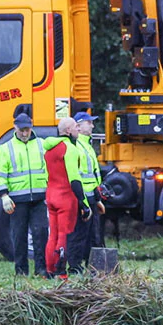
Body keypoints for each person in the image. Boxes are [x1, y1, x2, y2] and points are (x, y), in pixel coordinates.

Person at [0, 112, 49, 276]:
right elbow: (0, 174)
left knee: (41, 233)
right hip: (17, 200)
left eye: (27, 130)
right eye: (22, 130)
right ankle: (21, 270)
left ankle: (41, 269)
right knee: (19, 236)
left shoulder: (41, 145)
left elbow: (49, 170)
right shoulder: (6, 148)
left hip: (39, 197)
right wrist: (3, 195)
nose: (25, 134)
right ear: (15, 127)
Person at [42, 117, 91, 279]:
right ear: (68, 131)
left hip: (51, 195)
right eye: (76, 127)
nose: (78, 129)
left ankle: (49, 270)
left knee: (52, 235)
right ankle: (61, 272)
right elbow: (74, 179)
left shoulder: (49, 148)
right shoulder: (69, 148)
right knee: (64, 235)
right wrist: (84, 204)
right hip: (65, 197)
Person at [65, 111, 104, 273]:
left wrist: (97, 197)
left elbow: (92, 176)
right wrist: (82, 200)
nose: (93, 126)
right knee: (78, 234)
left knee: (91, 235)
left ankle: (91, 265)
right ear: (79, 127)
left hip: (90, 197)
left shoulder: (86, 145)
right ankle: (74, 266)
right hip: (81, 198)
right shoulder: (77, 147)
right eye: (89, 122)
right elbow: (76, 176)